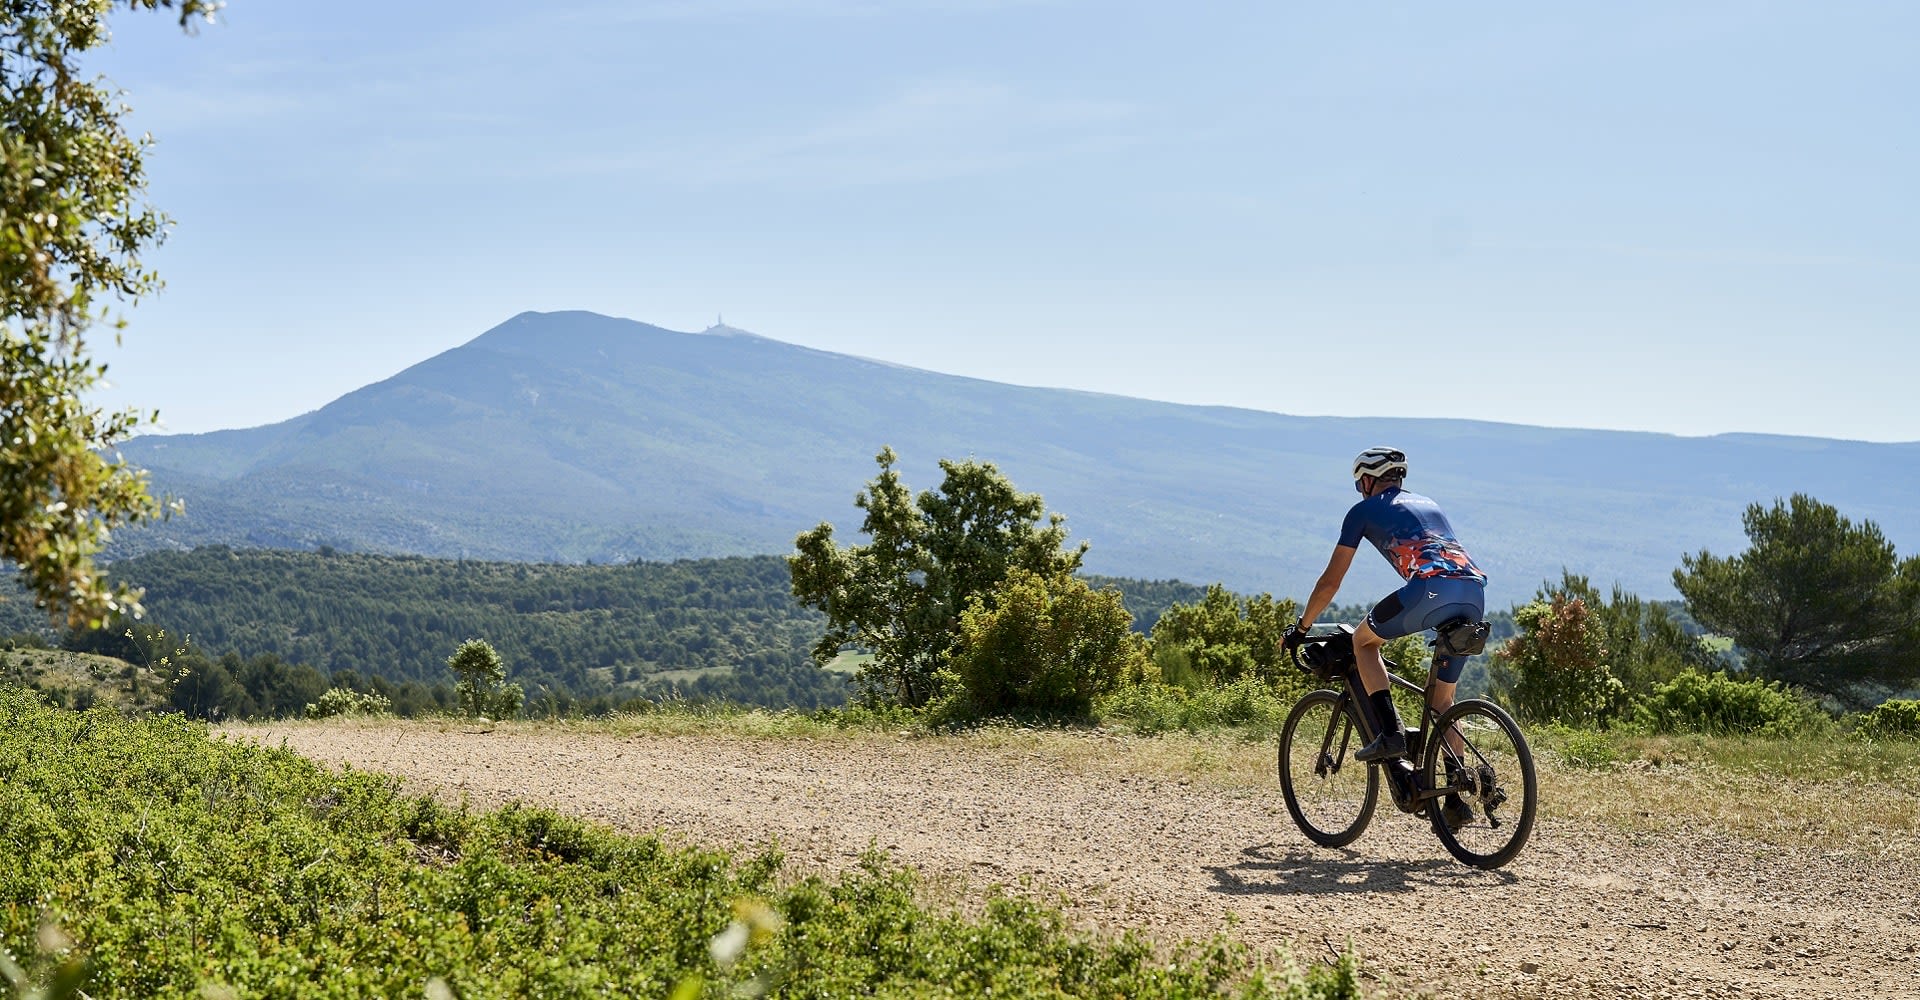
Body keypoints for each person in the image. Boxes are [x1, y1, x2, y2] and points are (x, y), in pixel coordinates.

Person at [1284, 446, 1487, 777]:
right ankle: (1456, 792)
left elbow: (1330, 583)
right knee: (1442, 702)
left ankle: (1390, 733)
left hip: (1430, 589)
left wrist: (1302, 628)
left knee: (1363, 642)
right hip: (1474, 592)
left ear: (1367, 480)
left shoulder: (1362, 511)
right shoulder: (1429, 503)